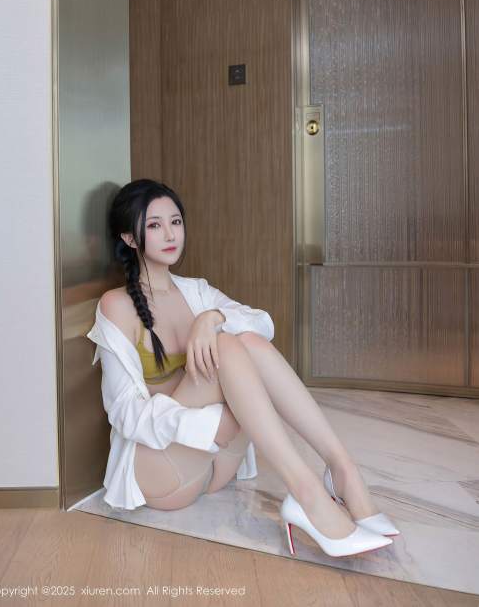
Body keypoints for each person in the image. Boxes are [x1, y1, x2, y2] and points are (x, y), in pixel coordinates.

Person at [87, 178, 399, 558]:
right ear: (130, 238)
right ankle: (307, 493)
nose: (170, 234)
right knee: (228, 344)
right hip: (162, 469)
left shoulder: (196, 292)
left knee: (244, 339)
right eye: (154, 225)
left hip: (218, 464)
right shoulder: (116, 305)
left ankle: (342, 467)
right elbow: (123, 413)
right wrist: (205, 423)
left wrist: (212, 317)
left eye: (176, 222)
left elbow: (262, 325)